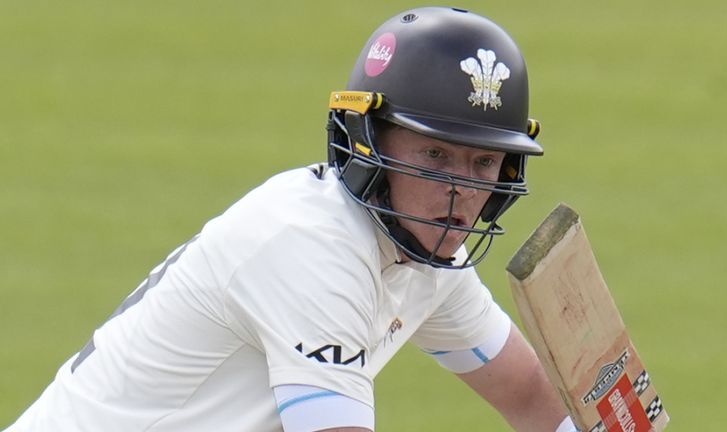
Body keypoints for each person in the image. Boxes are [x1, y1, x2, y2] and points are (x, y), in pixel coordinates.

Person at [4, 7, 578, 432]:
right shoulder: (311, 247)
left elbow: (528, 393)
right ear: (368, 141)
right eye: (434, 155)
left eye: (483, 163)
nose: (461, 191)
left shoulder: (425, 253)